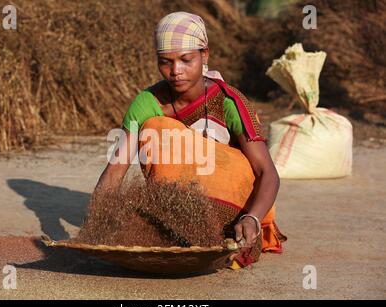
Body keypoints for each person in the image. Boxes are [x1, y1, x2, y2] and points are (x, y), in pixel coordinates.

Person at [93, 11, 286, 268]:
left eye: (186, 60)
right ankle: (175, 229)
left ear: (204, 55)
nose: (175, 71)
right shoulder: (147, 103)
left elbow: (267, 173)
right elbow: (116, 169)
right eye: (165, 62)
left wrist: (252, 218)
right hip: (176, 208)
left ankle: (222, 234)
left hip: (237, 207)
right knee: (156, 127)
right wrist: (97, 223)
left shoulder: (228, 102)